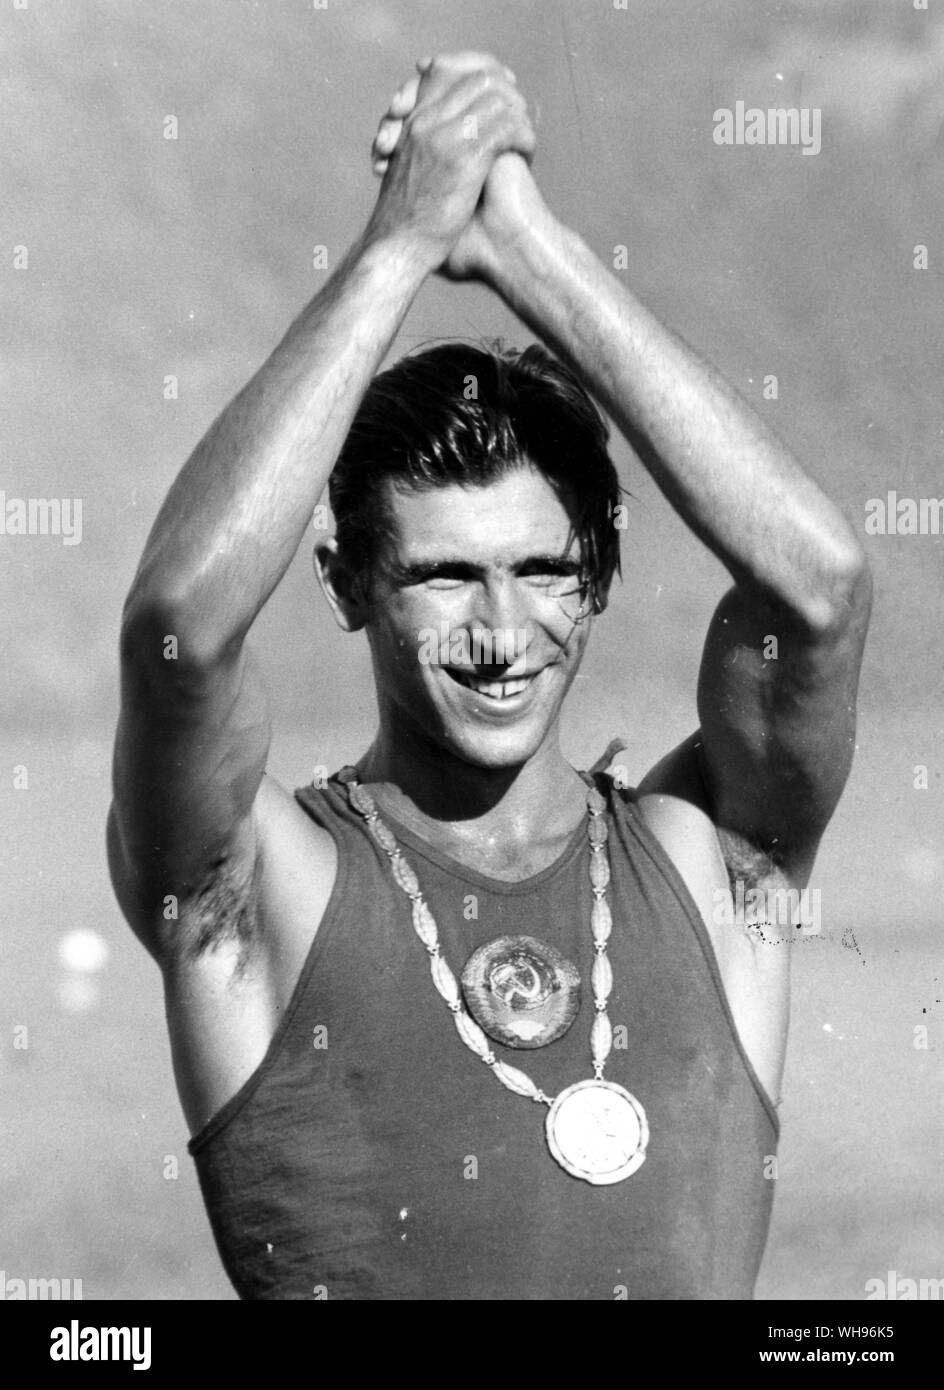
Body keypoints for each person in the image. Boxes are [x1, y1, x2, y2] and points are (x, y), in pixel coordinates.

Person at [107, 51, 872, 1300]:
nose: (500, 629)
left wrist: (524, 246)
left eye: (540, 568)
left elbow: (820, 593)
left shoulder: (711, 864)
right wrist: (396, 248)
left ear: (600, 581)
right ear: (350, 584)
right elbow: (179, 633)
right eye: (443, 576)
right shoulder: (257, 890)